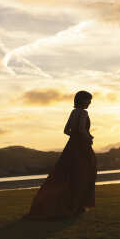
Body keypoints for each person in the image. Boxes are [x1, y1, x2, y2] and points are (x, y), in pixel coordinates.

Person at [25, 90, 97, 219]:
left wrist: (75, 136)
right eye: (88, 100)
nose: (90, 102)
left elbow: (66, 130)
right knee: (84, 172)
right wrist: (88, 137)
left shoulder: (73, 112)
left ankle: (73, 204)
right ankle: (77, 205)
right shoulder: (83, 113)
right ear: (82, 100)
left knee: (67, 174)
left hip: (71, 146)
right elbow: (81, 129)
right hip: (81, 146)